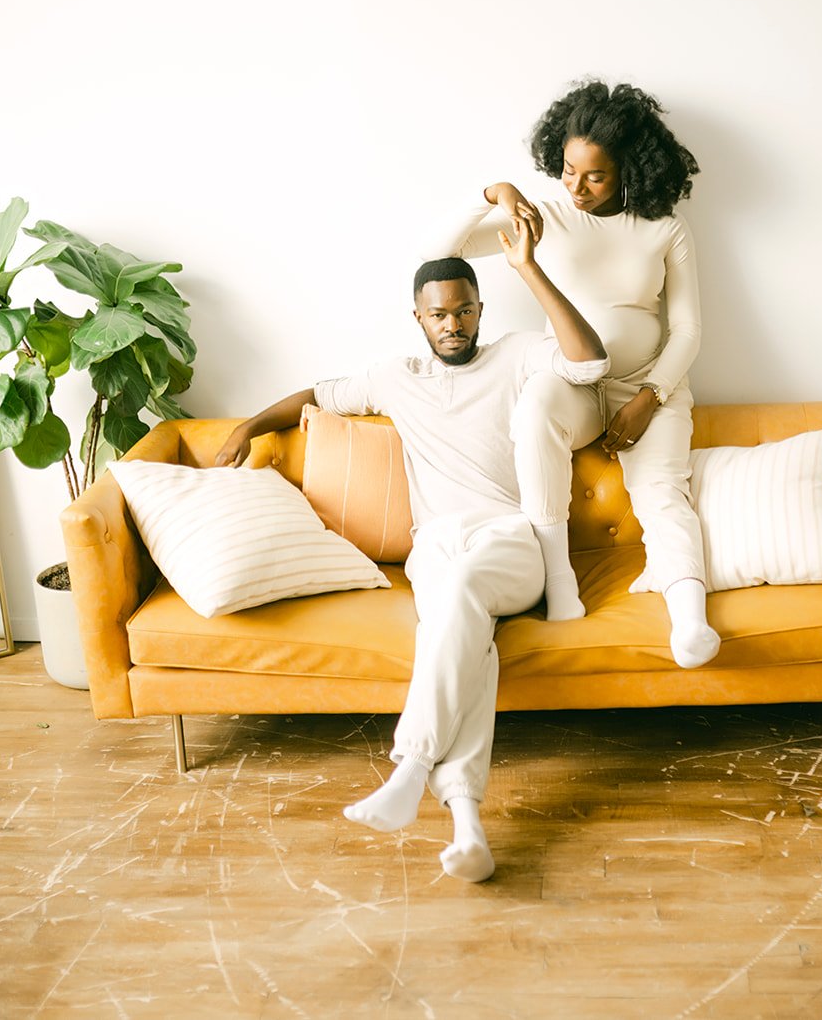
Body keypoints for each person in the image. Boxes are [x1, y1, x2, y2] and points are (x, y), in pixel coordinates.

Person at [213, 219, 606, 883]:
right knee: (465, 632)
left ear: (479, 309)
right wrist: (250, 425)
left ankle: (412, 764)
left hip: (510, 538)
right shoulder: (394, 376)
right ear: (417, 318)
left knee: (459, 602)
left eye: (462, 311)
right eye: (438, 315)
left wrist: (529, 269)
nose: (452, 324)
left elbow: (590, 360)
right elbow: (314, 393)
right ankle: (467, 825)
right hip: (437, 548)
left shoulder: (515, 355)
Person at [428, 78, 717, 669]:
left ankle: (691, 622)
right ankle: (560, 585)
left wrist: (649, 398)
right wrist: (496, 192)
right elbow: (440, 253)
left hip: (651, 388)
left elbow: (687, 330)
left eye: (595, 176)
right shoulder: (548, 217)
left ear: (630, 170)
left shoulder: (666, 227)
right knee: (535, 407)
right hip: (576, 384)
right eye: (567, 170)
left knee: (663, 494)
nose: (576, 188)